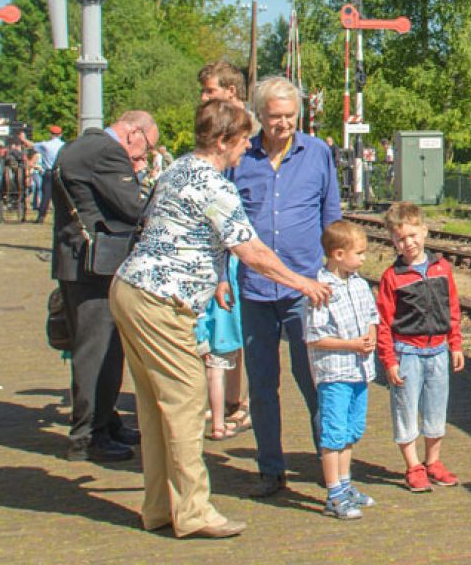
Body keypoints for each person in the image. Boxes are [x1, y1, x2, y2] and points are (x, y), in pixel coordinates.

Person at [110, 99, 332, 539]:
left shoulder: (175, 169)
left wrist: (210, 276)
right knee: (186, 406)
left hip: (130, 289)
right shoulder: (216, 186)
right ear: (223, 140)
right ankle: (193, 512)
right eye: (242, 137)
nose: (247, 145)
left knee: (155, 408)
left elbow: (164, 226)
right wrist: (302, 283)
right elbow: (251, 252)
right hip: (162, 300)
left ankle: (159, 507)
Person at [232, 76, 342, 497]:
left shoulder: (317, 154)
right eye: (275, 117)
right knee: (262, 385)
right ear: (258, 115)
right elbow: (229, 224)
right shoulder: (243, 157)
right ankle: (270, 468)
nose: (283, 124)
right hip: (255, 289)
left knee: (315, 379)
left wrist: (334, 274)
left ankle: (327, 461)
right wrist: (225, 281)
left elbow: (331, 215)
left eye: (290, 116)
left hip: (306, 289)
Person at [50, 110, 159, 462]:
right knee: (98, 351)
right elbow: (133, 208)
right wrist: (146, 181)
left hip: (75, 260)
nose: (141, 159)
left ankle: (105, 420)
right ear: (134, 133)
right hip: (96, 267)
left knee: (101, 349)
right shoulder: (108, 153)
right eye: (145, 150)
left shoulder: (78, 146)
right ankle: (88, 435)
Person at [376, 201, 464, 493]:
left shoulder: (442, 268)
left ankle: (433, 462)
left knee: (436, 410)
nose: (408, 243)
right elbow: (384, 323)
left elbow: (452, 308)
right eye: (401, 239)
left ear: (424, 231)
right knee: (405, 409)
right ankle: (413, 465)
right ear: (393, 241)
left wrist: (456, 345)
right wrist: (389, 360)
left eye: (413, 235)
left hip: (438, 349)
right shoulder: (393, 277)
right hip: (407, 353)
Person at [306, 220, 380, 520]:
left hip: (360, 372)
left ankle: (346, 484)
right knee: (333, 433)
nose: (363, 259)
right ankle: (333, 493)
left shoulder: (360, 284)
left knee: (351, 431)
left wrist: (372, 333)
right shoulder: (321, 290)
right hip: (335, 373)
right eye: (359, 253)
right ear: (338, 254)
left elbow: (372, 316)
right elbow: (314, 337)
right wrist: (351, 344)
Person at [197, 61, 252, 442]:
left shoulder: (243, 134)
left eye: (210, 91)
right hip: (221, 243)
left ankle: (237, 401)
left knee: (234, 326)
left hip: (237, 245)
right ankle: (224, 399)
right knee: (220, 327)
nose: (203, 97)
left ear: (230, 92)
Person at [32, 125, 65, 223]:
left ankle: (41, 216)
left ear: (51, 134)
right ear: (60, 134)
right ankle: (60, 217)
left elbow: (32, 145)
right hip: (60, 172)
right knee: (61, 195)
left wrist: (23, 139)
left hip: (49, 172)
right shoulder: (64, 145)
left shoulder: (45, 145)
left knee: (46, 195)